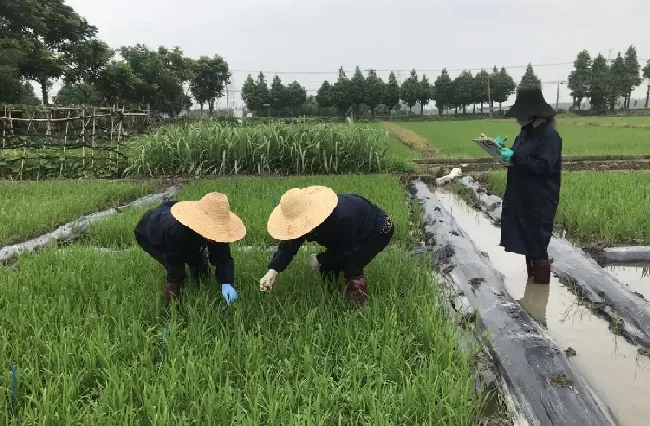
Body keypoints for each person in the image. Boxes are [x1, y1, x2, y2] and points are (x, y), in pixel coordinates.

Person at [258, 185, 394, 305]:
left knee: (352, 265)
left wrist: (320, 259)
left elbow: (349, 249)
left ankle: (358, 307)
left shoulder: (340, 218)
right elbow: (289, 244)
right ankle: (333, 297)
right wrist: (273, 271)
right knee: (327, 267)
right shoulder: (306, 221)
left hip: (377, 231)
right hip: (349, 232)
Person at [134, 192, 246, 306]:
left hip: (178, 227)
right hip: (151, 233)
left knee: (201, 269)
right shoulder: (176, 232)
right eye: (214, 230)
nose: (216, 235)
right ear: (202, 224)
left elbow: (223, 258)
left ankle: (200, 283)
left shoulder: (217, 228)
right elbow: (174, 259)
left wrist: (226, 283)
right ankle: (173, 311)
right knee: (177, 272)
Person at [498, 87, 562, 285]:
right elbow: (519, 159)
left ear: (532, 114)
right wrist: (503, 153)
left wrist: (515, 157)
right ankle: (531, 283)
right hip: (521, 195)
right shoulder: (525, 134)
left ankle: (540, 292)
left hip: (539, 199)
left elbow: (544, 166)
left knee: (538, 245)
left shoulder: (550, 137)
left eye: (520, 114)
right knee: (527, 243)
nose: (518, 118)